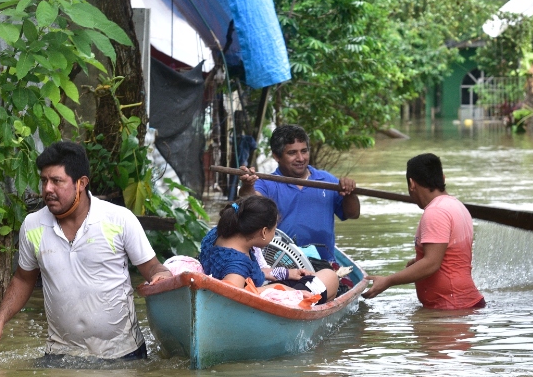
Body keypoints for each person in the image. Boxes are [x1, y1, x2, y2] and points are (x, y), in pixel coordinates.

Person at [0, 141, 171, 361]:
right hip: (60, 355)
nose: (47, 189)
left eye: (56, 181)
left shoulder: (119, 219)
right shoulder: (33, 225)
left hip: (123, 354)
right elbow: (23, 279)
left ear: (81, 183)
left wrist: (161, 275)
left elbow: (151, 267)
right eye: (44, 181)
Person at [361, 153, 485, 309]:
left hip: (451, 308)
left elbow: (432, 263)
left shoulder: (436, 211)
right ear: (443, 178)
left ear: (412, 183)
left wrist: (388, 280)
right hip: (461, 304)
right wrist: (419, 260)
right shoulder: (457, 206)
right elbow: (451, 255)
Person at [237, 124, 359, 267]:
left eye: (304, 151)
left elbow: (353, 213)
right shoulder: (267, 183)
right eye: (292, 153)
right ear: (276, 156)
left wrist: (349, 193)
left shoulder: (327, 180)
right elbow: (251, 201)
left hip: (325, 263)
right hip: (280, 263)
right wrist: (247, 185)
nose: (300, 158)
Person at [198, 195, 339, 304]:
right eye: (274, 229)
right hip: (259, 304)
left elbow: (251, 274)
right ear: (264, 232)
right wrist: (280, 288)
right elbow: (231, 295)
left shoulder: (217, 234)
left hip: (257, 289)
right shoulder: (237, 265)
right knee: (330, 276)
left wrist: (287, 273)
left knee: (319, 277)